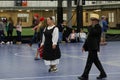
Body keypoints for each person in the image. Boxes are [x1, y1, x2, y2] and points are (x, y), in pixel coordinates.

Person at [78, 14, 107, 80]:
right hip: (91, 47)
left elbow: (92, 32)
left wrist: (90, 26)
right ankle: (103, 74)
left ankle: (85, 76)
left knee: (89, 62)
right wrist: (84, 46)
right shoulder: (92, 27)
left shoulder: (98, 27)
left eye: (93, 20)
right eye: (91, 20)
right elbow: (88, 37)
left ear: (96, 21)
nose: (91, 21)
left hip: (94, 47)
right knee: (96, 62)